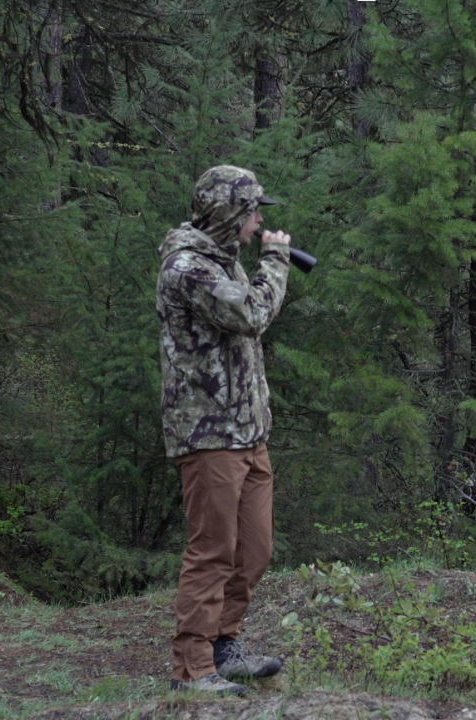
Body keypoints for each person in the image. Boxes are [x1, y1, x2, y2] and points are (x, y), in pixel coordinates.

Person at [155, 165, 291, 696]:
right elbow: (252, 314)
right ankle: (192, 669)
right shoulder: (187, 269)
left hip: (248, 432)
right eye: (253, 212)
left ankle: (224, 646)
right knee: (212, 550)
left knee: (254, 550)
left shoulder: (224, 262)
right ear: (230, 213)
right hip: (208, 434)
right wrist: (276, 261)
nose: (259, 223)